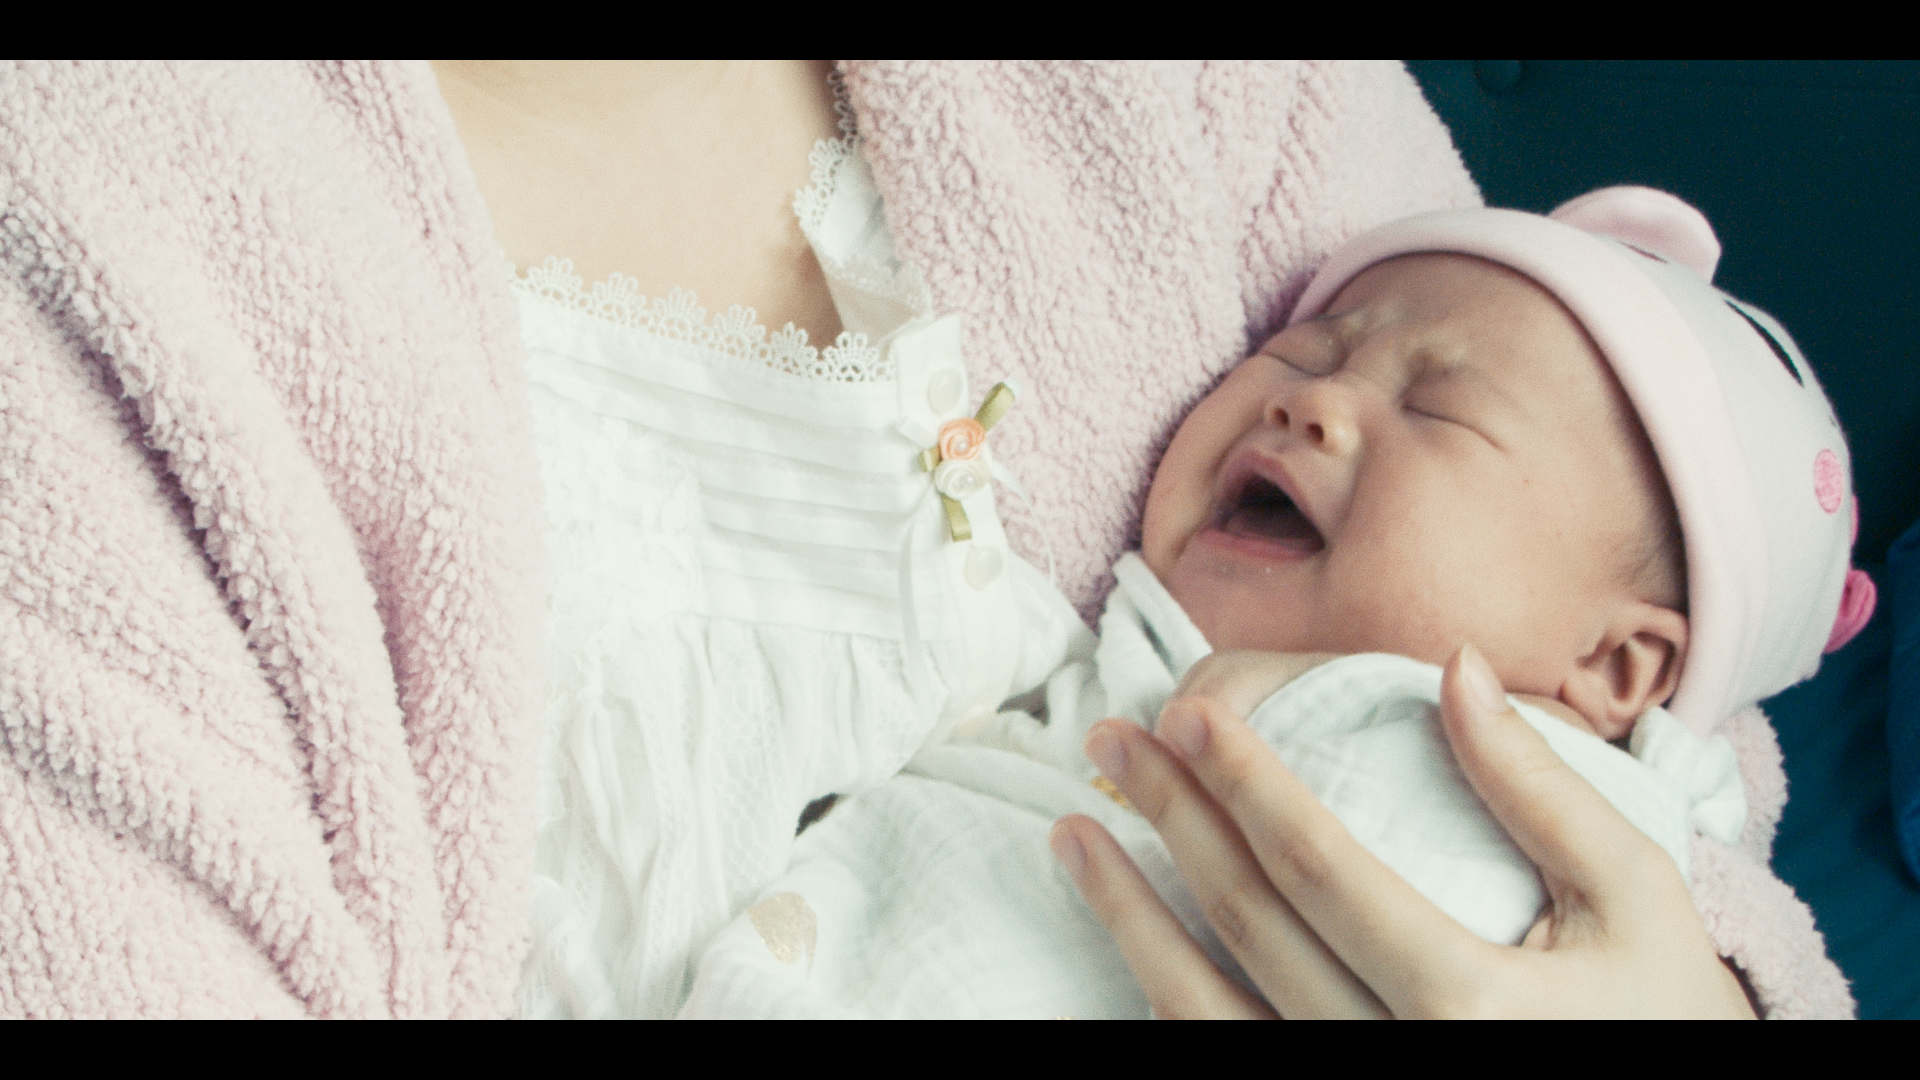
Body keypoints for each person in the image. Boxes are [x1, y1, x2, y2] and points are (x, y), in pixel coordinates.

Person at [0, 61, 1812, 1019]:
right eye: (1306, 351)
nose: (1316, 397)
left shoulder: (1209, 93)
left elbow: (1672, 699)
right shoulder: (100, 226)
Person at [679, 189, 1864, 1018]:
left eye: (1438, 408)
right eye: (1303, 352)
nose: (1312, 403)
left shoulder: (1564, 809)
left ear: (1613, 669)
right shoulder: (1079, 656)